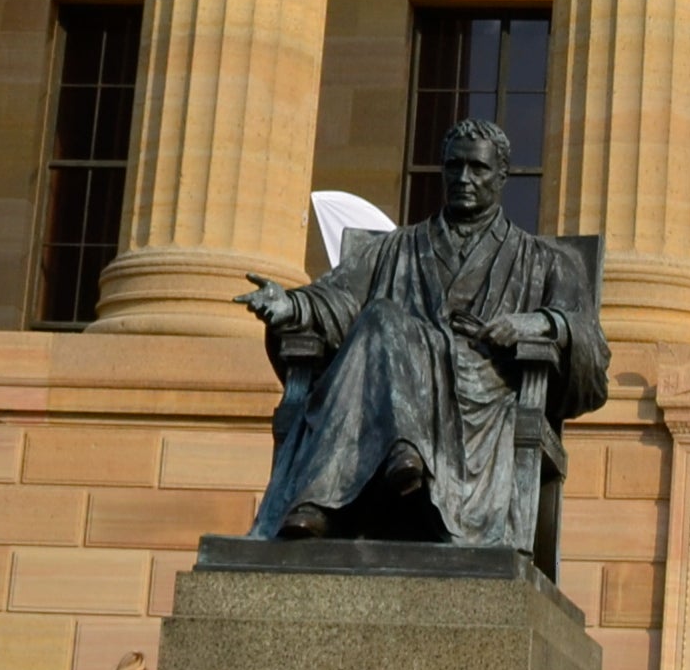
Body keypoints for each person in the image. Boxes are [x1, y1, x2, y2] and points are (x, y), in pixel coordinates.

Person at [233, 119, 606, 552]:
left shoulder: (544, 261)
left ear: (502, 176)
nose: (464, 178)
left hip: (478, 389)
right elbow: (334, 300)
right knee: (378, 320)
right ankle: (400, 453)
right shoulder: (393, 248)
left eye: (478, 169)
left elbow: (591, 345)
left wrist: (541, 322)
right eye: (454, 166)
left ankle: (320, 501)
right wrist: (291, 306)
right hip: (385, 381)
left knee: (379, 321)